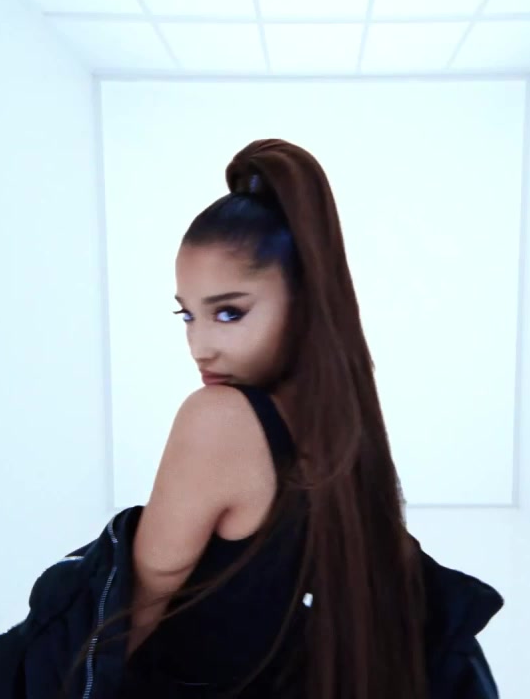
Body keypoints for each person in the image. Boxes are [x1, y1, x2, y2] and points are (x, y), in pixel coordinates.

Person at [115, 137, 430, 698]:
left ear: (304, 300)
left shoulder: (218, 421)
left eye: (229, 313)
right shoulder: (345, 435)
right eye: (187, 316)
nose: (199, 347)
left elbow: (122, 628)